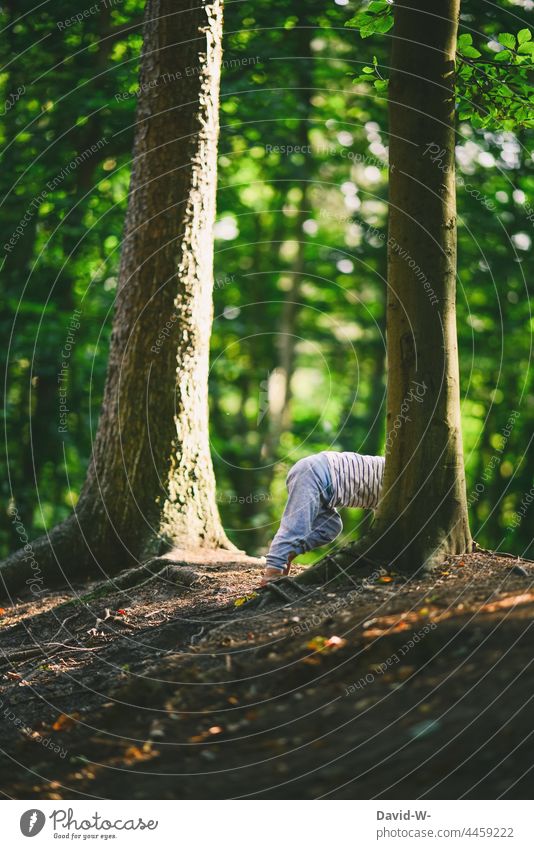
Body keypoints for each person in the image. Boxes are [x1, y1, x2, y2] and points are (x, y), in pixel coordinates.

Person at [261, 450, 385, 585]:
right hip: (314, 473)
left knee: (330, 527)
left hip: (322, 481)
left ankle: (287, 555)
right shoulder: (397, 476)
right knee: (296, 527)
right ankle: (271, 574)